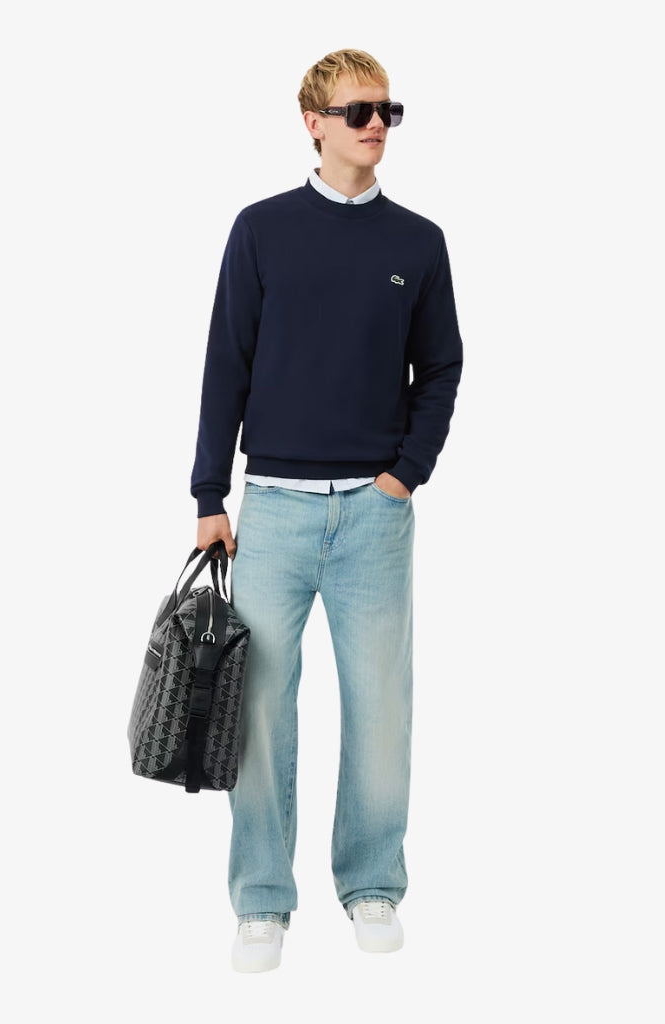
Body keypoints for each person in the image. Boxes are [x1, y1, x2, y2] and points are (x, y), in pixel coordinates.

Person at [190, 48, 463, 973]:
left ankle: (373, 881)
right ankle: (261, 900)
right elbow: (226, 363)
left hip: (375, 519)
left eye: (388, 110)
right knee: (259, 709)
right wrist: (208, 495)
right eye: (358, 112)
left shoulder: (418, 242)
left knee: (381, 707)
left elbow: (443, 366)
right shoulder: (261, 230)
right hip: (272, 511)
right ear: (313, 123)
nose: (376, 124)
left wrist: (405, 475)